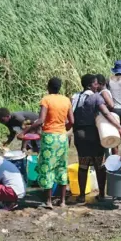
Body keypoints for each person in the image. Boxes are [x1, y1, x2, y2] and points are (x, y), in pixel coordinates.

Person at [20, 77, 74, 209]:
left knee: (47, 168)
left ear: (49, 87)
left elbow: (40, 120)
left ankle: (48, 201)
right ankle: (62, 201)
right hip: (62, 138)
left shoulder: (46, 100)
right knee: (61, 167)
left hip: (49, 138)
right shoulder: (66, 100)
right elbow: (72, 121)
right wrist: (63, 129)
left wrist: (24, 132)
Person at [73, 74, 121, 203]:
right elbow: (106, 113)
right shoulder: (96, 97)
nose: (98, 86)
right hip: (93, 135)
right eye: (96, 83)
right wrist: (119, 127)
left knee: (83, 165)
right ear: (91, 85)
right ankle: (101, 194)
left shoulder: (75, 97)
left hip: (79, 135)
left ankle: (81, 196)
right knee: (99, 165)